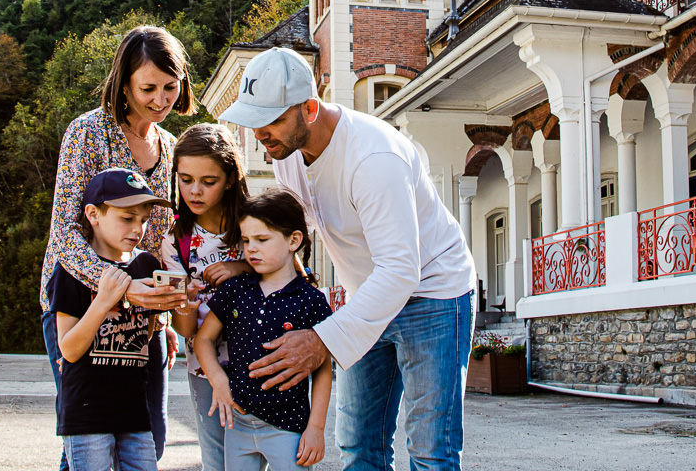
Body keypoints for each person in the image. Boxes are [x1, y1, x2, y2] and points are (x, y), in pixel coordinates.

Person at [218, 47, 476, 471]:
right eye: (255, 120)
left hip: (434, 295)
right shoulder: (287, 156)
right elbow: (292, 240)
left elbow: (400, 270)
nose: (262, 133)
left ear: (310, 108)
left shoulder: (374, 159)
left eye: (274, 120)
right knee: (358, 446)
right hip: (367, 295)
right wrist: (244, 266)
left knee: (432, 453)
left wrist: (322, 340)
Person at [40, 25, 192, 459]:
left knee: (149, 441)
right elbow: (66, 235)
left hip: (143, 318)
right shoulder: (87, 132)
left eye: (170, 86)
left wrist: (163, 307)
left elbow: (159, 237)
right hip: (79, 310)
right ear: (123, 84)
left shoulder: (169, 145)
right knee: (88, 442)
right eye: (148, 88)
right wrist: (122, 287)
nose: (161, 100)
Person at [193, 189, 334, 471]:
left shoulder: (311, 300)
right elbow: (204, 339)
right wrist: (219, 383)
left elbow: (322, 369)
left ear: (294, 240)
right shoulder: (235, 290)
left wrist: (316, 428)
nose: (251, 249)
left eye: (262, 239)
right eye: (246, 240)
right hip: (239, 425)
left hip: (288, 427)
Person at [51, 168, 172, 471]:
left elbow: (147, 330)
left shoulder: (145, 264)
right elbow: (69, 348)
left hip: (134, 411)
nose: (138, 229)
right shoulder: (71, 271)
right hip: (86, 415)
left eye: (143, 220)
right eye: (127, 218)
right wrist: (105, 300)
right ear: (93, 214)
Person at [164, 124, 253, 471]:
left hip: (261, 362)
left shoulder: (255, 224)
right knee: (216, 461)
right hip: (204, 368)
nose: (195, 191)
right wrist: (183, 302)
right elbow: (185, 329)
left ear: (230, 178)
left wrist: (242, 267)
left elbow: (294, 280)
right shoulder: (176, 240)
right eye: (185, 179)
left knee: (260, 457)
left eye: (208, 181)